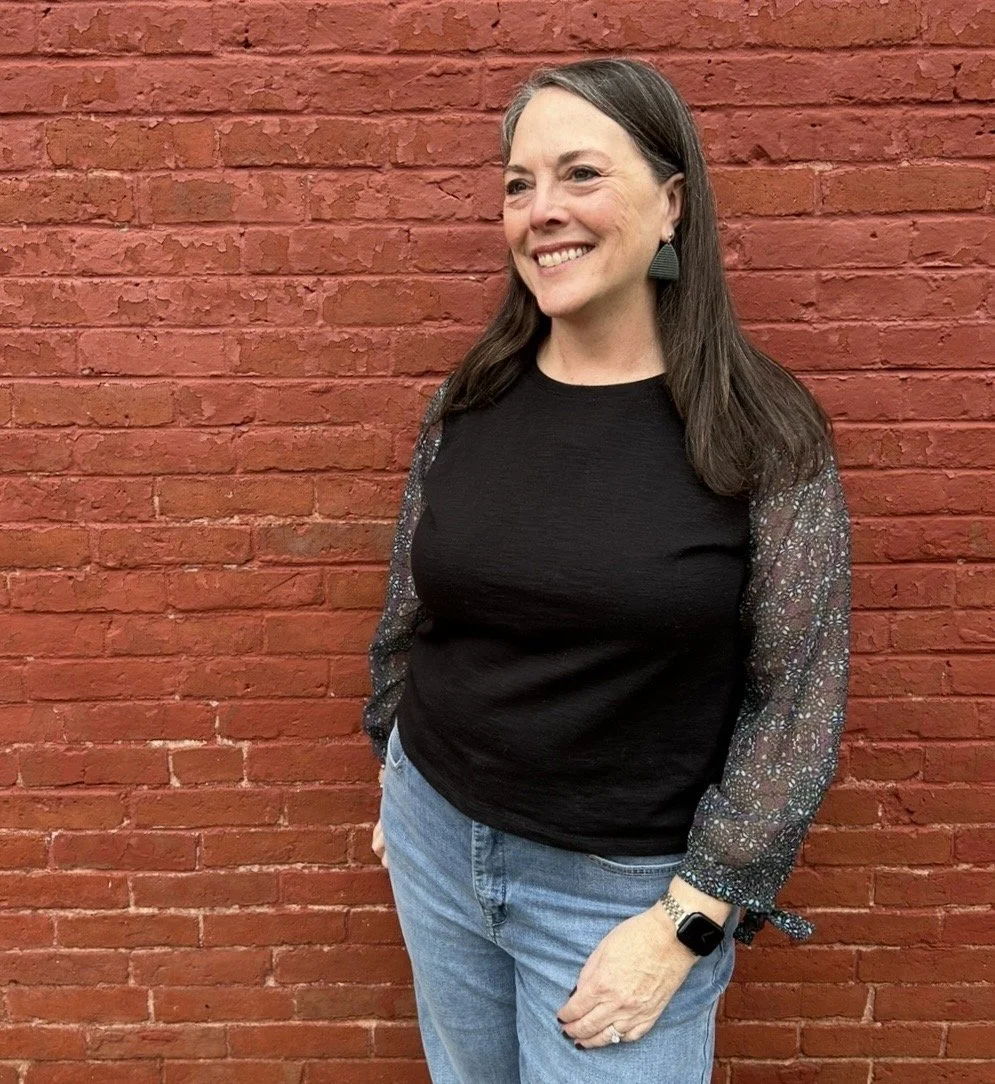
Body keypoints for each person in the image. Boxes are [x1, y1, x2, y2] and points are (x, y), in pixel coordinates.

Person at [362, 57, 851, 1084]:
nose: (540, 210)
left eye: (579, 174)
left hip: (624, 895)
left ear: (670, 205)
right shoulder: (472, 397)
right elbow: (412, 607)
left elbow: (795, 699)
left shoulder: (761, 434)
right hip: (435, 835)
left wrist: (690, 920)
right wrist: (396, 772)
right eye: (518, 183)